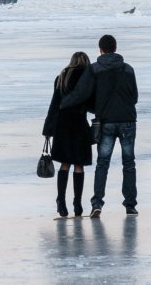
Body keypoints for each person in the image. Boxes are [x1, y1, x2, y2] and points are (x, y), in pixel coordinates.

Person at [59, 34, 138, 217]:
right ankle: (130, 205)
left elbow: (82, 93)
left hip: (107, 122)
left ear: (100, 49)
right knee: (129, 163)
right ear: (115, 48)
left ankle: (97, 204)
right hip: (127, 121)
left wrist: (64, 102)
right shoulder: (128, 69)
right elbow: (134, 96)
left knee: (103, 163)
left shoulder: (95, 70)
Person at [42, 52, 93, 217]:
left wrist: (48, 130)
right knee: (79, 165)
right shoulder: (88, 79)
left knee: (65, 164)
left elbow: (54, 104)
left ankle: (60, 201)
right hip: (79, 124)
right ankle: (77, 203)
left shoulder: (61, 77)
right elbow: (92, 104)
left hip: (62, 125)